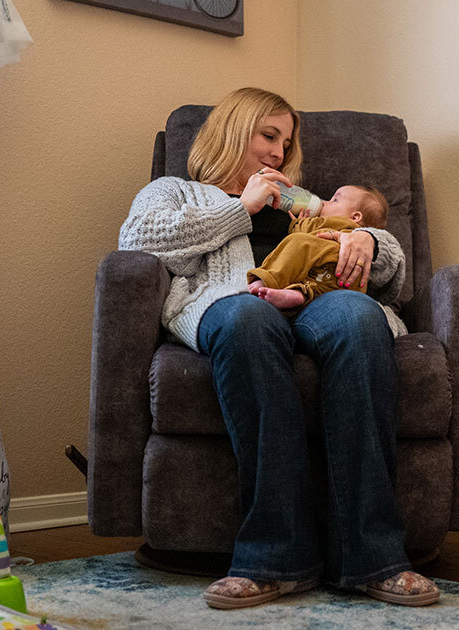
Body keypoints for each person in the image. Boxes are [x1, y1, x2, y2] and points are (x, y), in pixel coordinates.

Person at [117, 87, 440, 609]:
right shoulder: (176, 190)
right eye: (268, 136)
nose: (278, 153)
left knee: (360, 319)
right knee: (248, 318)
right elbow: (137, 242)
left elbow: (388, 262)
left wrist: (368, 241)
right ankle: (273, 557)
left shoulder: (307, 202)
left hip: (318, 298)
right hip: (233, 300)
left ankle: (373, 556)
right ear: (231, 131)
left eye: (285, 144)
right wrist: (239, 209)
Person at [247, 185, 389, 311]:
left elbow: (303, 237)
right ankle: (300, 295)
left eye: (334, 200)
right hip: (351, 280)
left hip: (329, 257)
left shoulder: (333, 224)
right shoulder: (358, 240)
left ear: (355, 217)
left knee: (298, 241)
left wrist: (299, 223)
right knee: (317, 285)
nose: (323, 202)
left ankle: (268, 279)